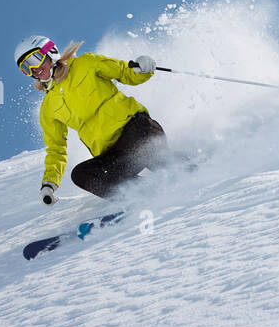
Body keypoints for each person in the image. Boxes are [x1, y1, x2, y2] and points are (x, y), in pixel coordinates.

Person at [14, 36, 168, 203]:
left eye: (34, 60)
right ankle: (144, 196)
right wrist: (49, 183)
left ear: (50, 52)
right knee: (83, 175)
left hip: (137, 130)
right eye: (26, 67)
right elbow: (56, 149)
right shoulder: (48, 107)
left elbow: (126, 72)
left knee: (158, 160)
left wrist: (142, 68)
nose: (34, 69)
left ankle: (192, 171)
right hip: (115, 155)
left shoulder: (85, 63)